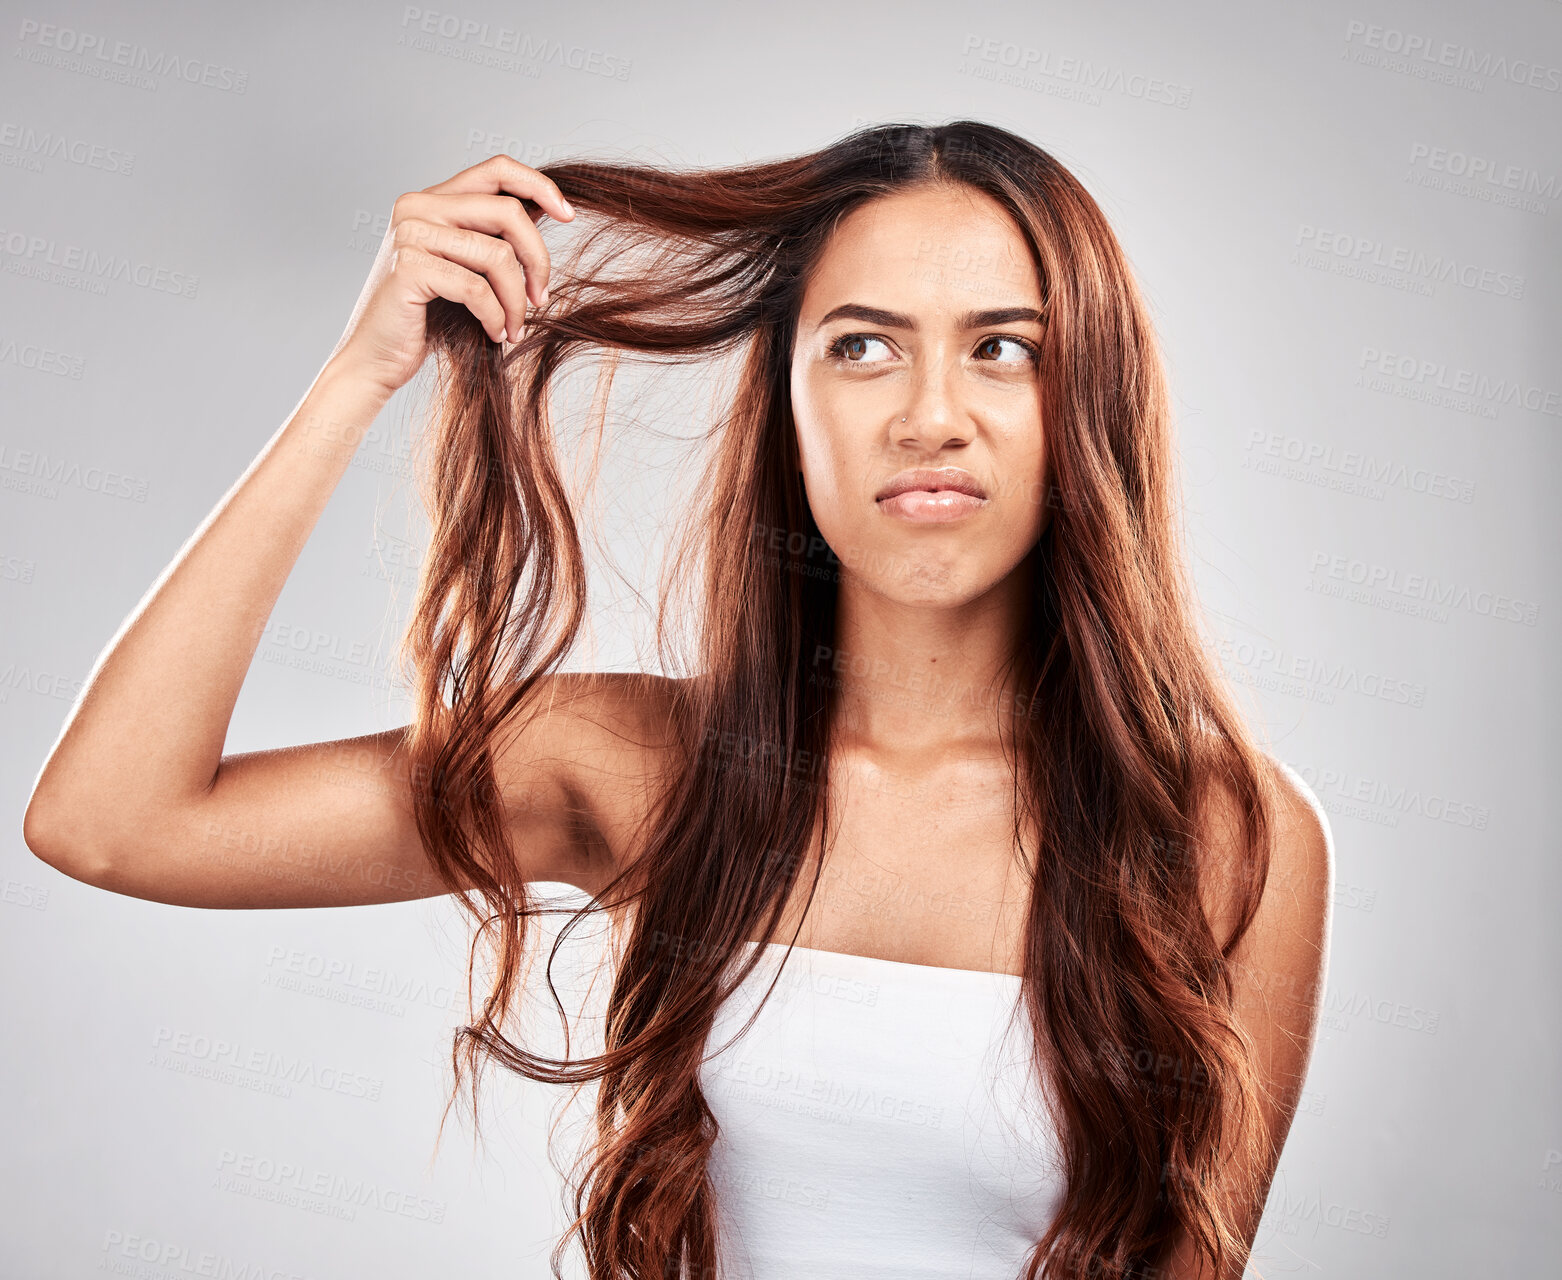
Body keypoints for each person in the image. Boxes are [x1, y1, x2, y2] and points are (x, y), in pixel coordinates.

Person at [24, 121, 1333, 1280]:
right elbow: (113, 821)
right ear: (787, 404)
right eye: (862, 347)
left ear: (1085, 402)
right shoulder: (627, 762)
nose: (932, 415)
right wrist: (358, 374)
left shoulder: (1228, 833)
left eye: (1004, 349)